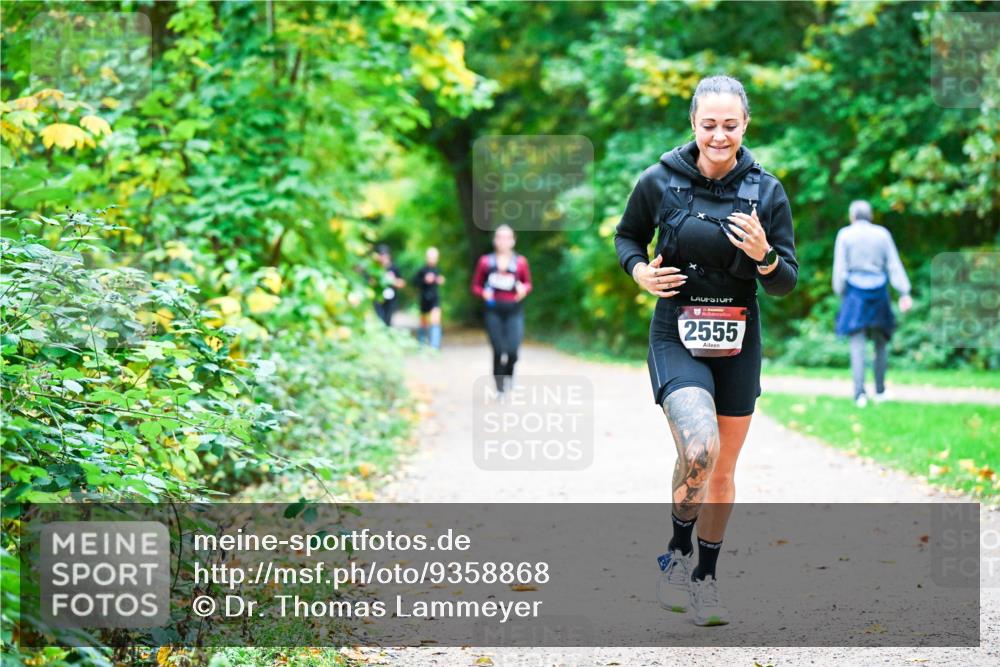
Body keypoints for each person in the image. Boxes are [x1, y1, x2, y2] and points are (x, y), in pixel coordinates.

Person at [614, 75, 798, 626]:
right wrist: (640, 271)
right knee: (700, 449)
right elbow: (626, 237)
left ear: (745, 125)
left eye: (730, 125)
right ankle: (675, 552)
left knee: (723, 469)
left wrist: (765, 255)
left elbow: (786, 280)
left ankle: (706, 579)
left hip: (739, 334)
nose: (720, 136)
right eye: (709, 124)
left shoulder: (767, 191)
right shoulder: (660, 180)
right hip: (677, 330)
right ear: (693, 124)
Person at [832, 200, 912, 407]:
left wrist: (840, 291)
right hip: (879, 292)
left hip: (854, 293)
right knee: (881, 342)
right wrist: (904, 292)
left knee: (857, 344)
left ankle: (859, 394)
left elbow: (840, 267)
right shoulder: (882, 234)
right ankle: (880, 391)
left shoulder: (845, 234)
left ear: (852, 216)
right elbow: (894, 264)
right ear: (870, 216)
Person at [470, 225, 532, 395]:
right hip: (493, 311)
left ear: (513, 240)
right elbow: (475, 286)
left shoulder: (520, 262)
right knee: (498, 349)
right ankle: (499, 387)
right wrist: (483, 293)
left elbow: (528, 284)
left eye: (507, 237)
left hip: (514, 311)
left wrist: (523, 289)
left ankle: (509, 375)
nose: (503, 241)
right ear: (495, 241)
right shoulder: (485, 261)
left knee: (512, 350)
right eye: (500, 237)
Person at [413, 247, 446, 349]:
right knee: (423, 321)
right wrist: (424, 280)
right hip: (424, 298)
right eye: (430, 257)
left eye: (434, 257)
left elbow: (440, 279)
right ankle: (421, 344)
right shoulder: (422, 270)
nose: (432, 259)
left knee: (435, 320)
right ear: (426, 258)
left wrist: (440, 280)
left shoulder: (438, 269)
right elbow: (414, 282)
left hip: (435, 298)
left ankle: (434, 346)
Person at [373, 244, 405, 326]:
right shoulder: (375, 268)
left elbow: (402, 283)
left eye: (385, 255)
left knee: (387, 321)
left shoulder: (394, 268)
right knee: (379, 319)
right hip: (378, 298)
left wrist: (391, 280)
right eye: (381, 255)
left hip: (391, 299)